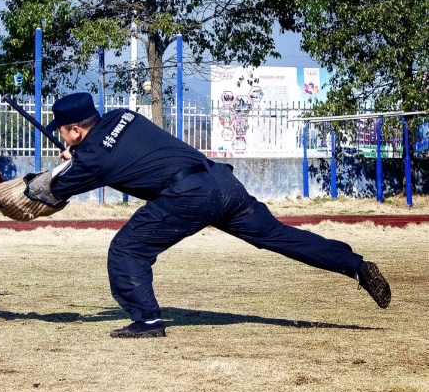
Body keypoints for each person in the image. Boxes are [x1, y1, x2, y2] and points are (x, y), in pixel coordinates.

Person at [34, 93, 391, 338]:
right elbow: (117, 148)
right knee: (278, 235)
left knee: (127, 249)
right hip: (221, 181)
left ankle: (147, 320)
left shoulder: (91, 156)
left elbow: (43, 195)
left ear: (75, 131)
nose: (64, 138)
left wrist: (64, 167)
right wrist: (79, 158)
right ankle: (355, 265)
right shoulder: (124, 116)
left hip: (187, 195)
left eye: (64, 133)